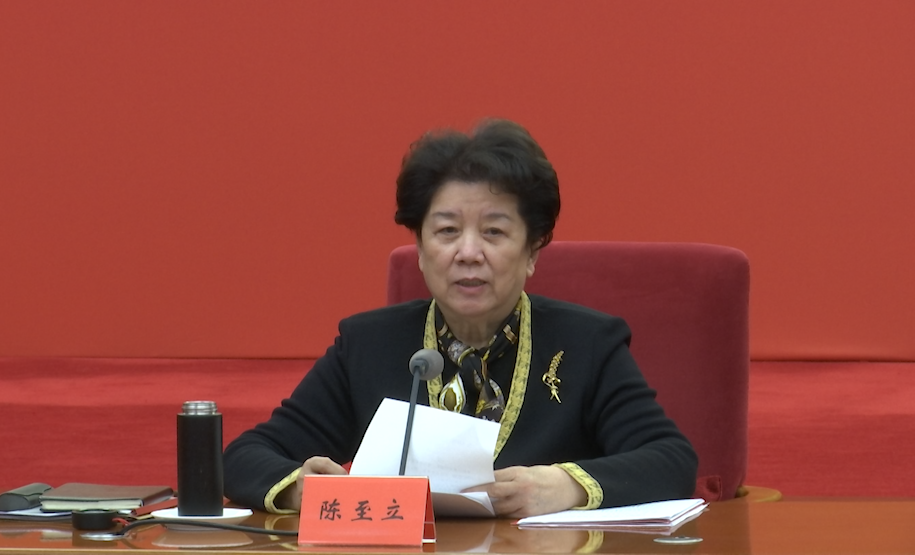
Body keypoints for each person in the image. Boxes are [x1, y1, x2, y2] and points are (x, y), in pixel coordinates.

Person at [223, 119, 697, 518]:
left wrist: (566, 486)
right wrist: (301, 489)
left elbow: (672, 461)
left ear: (532, 251)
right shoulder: (368, 344)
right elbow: (242, 457)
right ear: (420, 249)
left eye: (494, 232)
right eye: (447, 231)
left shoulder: (586, 343)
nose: (468, 252)